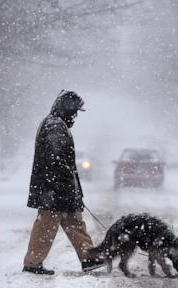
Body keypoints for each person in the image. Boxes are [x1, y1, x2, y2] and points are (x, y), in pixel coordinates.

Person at [23, 90, 104, 275]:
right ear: (65, 108)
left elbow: (59, 162)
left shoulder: (57, 124)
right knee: (46, 225)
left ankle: (89, 258)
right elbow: (56, 160)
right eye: (74, 111)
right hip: (53, 189)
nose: (75, 115)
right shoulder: (54, 126)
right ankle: (32, 263)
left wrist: (72, 189)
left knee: (74, 222)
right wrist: (64, 187)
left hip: (59, 188)